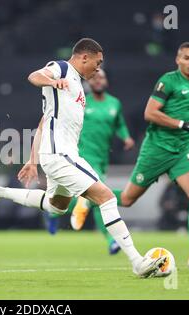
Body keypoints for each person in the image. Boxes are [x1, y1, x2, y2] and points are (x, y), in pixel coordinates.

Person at [0, 38, 165, 278]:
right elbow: (34, 76)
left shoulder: (79, 86)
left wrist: (33, 160)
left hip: (57, 155)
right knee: (107, 198)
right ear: (84, 57)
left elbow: (43, 122)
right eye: (97, 63)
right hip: (61, 155)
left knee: (56, 206)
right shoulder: (63, 68)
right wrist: (52, 80)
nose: (98, 69)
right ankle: (137, 262)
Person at [111, 42, 189, 269]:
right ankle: (89, 196)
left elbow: (188, 116)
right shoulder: (167, 81)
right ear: (178, 60)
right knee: (127, 199)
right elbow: (150, 113)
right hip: (157, 149)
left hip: (181, 152)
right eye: (187, 58)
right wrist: (184, 125)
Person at [68, 69, 135, 255]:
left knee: (94, 199)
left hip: (102, 157)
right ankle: (111, 239)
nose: (98, 80)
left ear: (106, 81)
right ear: (89, 82)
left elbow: (119, 124)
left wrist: (126, 137)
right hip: (83, 155)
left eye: (101, 77)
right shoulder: (81, 102)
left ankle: (54, 210)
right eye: (94, 78)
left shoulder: (114, 104)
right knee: (101, 196)